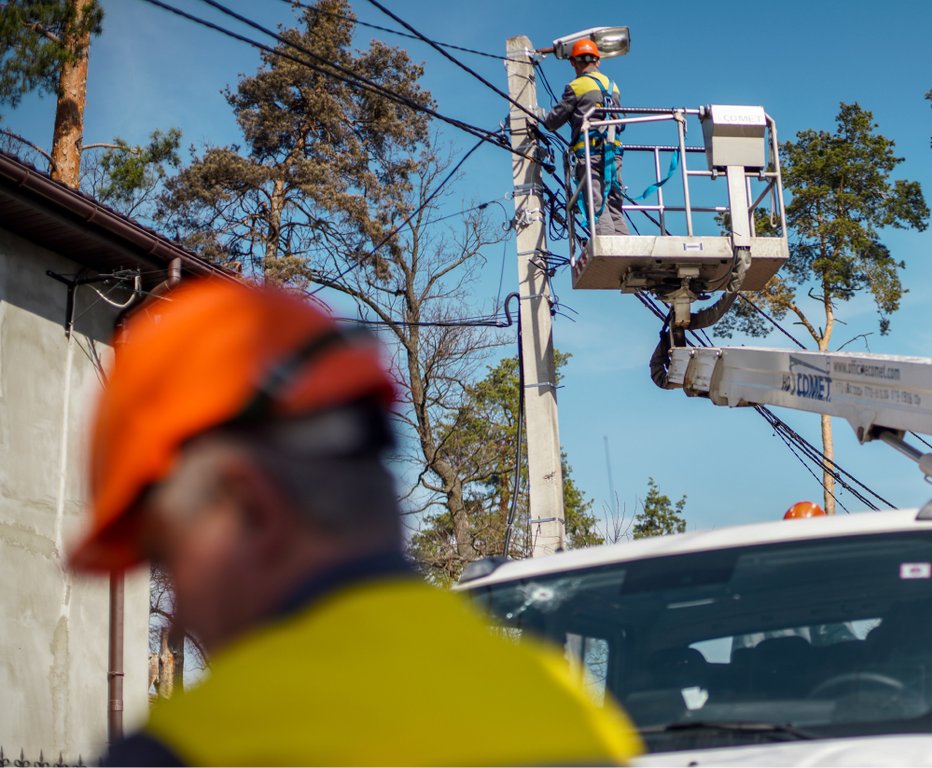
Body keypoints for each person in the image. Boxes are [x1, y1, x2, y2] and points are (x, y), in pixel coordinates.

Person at [69, 278, 641, 766]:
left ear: (250, 506)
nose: (177, 610)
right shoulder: (575, 716)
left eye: (167, 557)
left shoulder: (189, 752)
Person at [542, 37, 629, 236]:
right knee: (614, 206)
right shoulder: (612, 85)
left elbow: (553, 122)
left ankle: (609, 251)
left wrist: (541, 118)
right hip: (614, 155)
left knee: (596, 205)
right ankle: (626, 251)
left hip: (590, 155)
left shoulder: (577, 86)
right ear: (598, 61)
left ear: (573, 62)